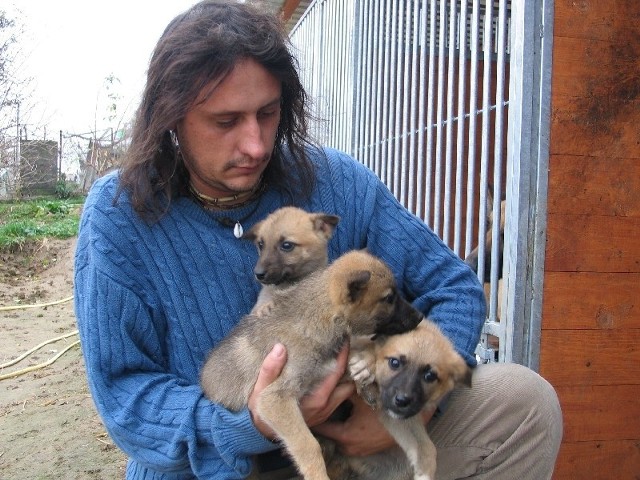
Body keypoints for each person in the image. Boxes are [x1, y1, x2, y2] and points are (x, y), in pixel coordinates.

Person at [73, 1, 563, 479]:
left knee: (523, 406)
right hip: (220, 464)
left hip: (356, 438)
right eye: (226, 122)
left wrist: (408, 406)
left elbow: (454, 288)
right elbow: (126, 396)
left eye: (268, 112)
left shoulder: (337, 183)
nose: (257, 144)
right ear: (171, 117)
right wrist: (253, 424)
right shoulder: (120, 217)